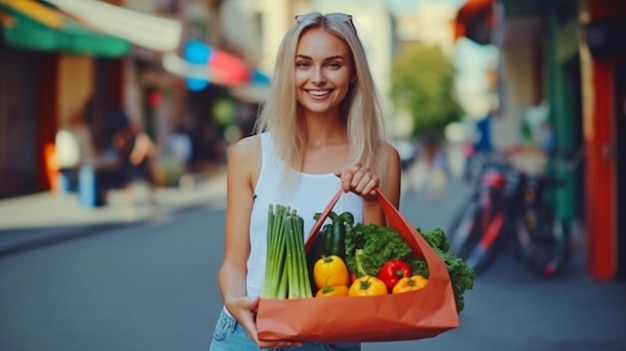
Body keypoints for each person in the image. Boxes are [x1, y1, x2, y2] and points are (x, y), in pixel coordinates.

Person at [209, 12, 402, 351]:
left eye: (333, 64)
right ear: (288, 71)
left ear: (354, 72)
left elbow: (378, 274)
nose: (317, 78)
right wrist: (237, 302)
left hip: (333, 341)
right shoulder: (250, 154)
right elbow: (234, 261)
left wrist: (372, 201)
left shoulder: (382, 159)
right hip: (248, 333)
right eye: (303, 64)